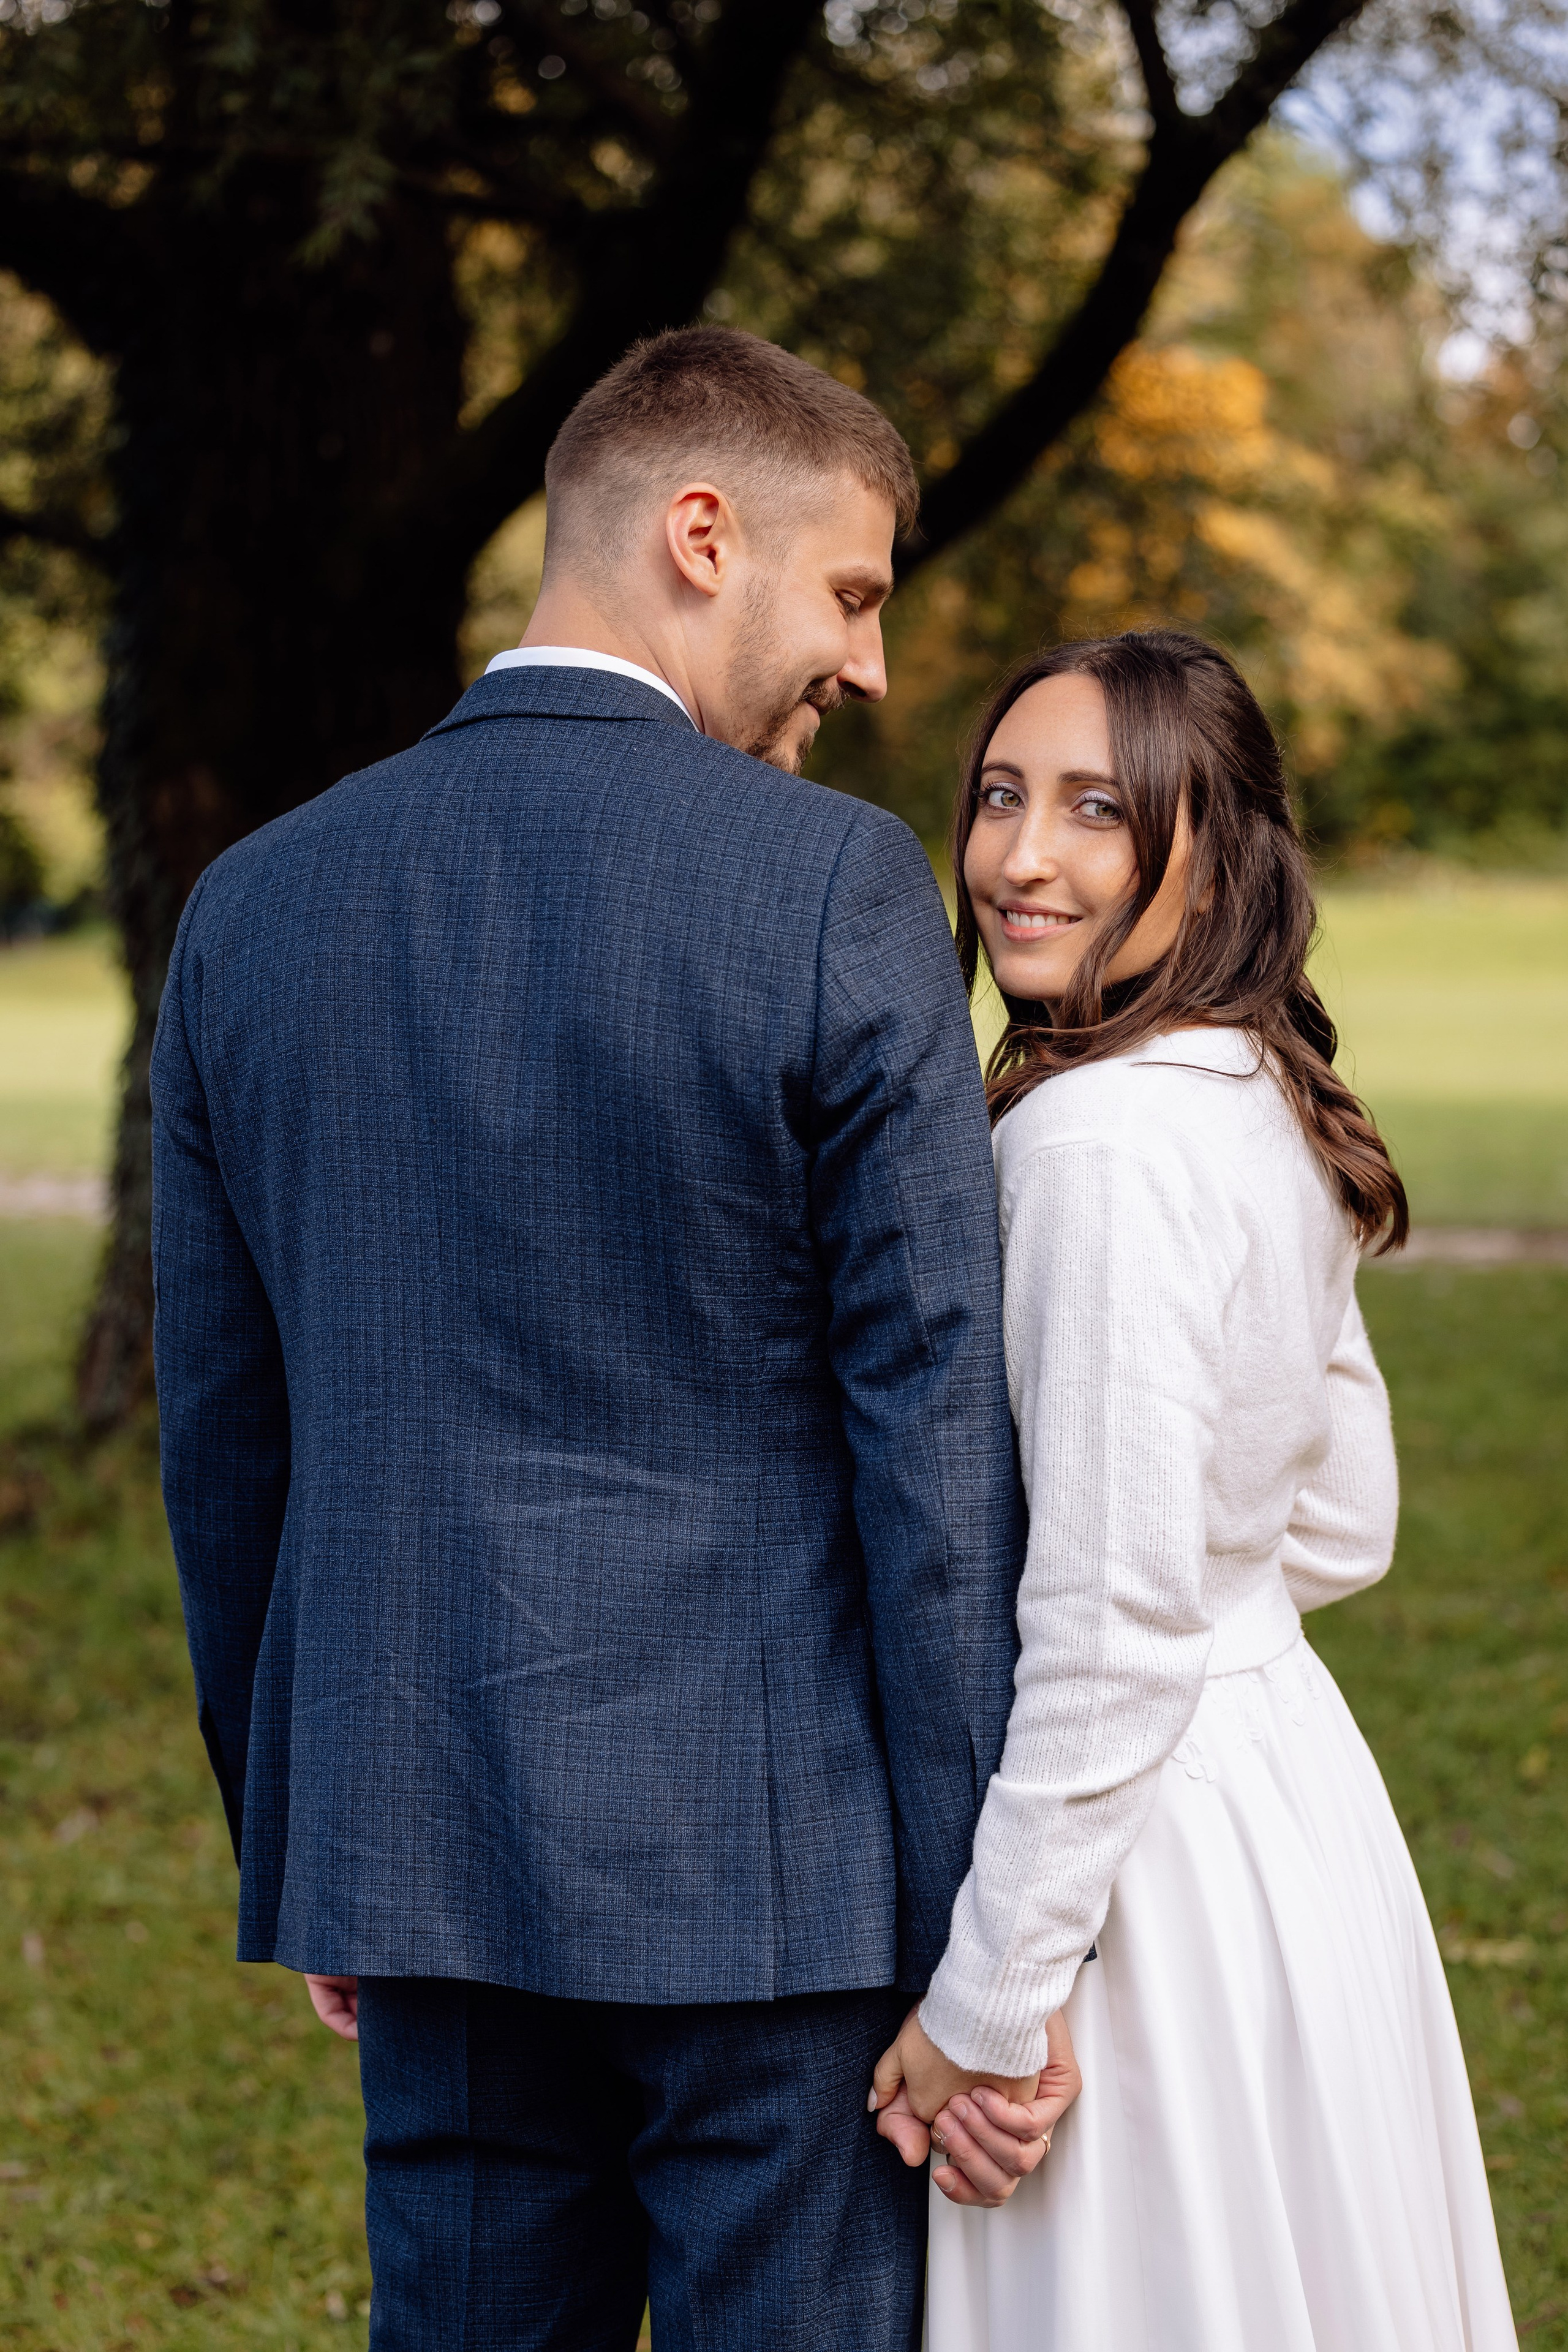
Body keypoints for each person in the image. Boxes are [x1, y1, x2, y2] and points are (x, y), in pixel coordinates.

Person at [149, 326, 1061, 2351]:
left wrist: (313, 1838)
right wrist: (978, 1923)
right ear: (701, 532)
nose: (875, 667)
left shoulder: (252, 906)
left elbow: (226, 1450)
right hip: (784, 1891)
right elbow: (930, 1448)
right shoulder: (830, 886)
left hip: (424, 1850)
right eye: (851, 595)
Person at [872, 631, 1519, 2345]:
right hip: (1282, 1795)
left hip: (1136, 1856)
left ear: (1218, 852)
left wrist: (993, 2005)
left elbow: (1106, 1623)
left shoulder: (1088, 1153)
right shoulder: (1260, 1088)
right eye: (1001, 796)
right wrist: (1217, 1624)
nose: (1022, 856)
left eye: (1099, 809)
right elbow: (1341, 1516)